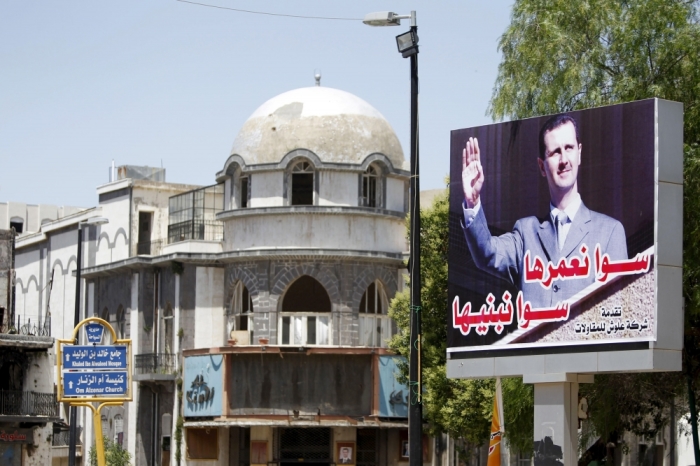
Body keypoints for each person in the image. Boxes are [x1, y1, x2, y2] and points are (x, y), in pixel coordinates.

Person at [461, 114, 627, 309]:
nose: (564, 159)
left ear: (579, 153)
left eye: (569, 148)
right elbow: (486, 254)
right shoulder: (526, 233)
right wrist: (472, 202)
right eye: (555, 152)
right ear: (541, 166)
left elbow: (619, 308)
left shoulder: (610, 232)